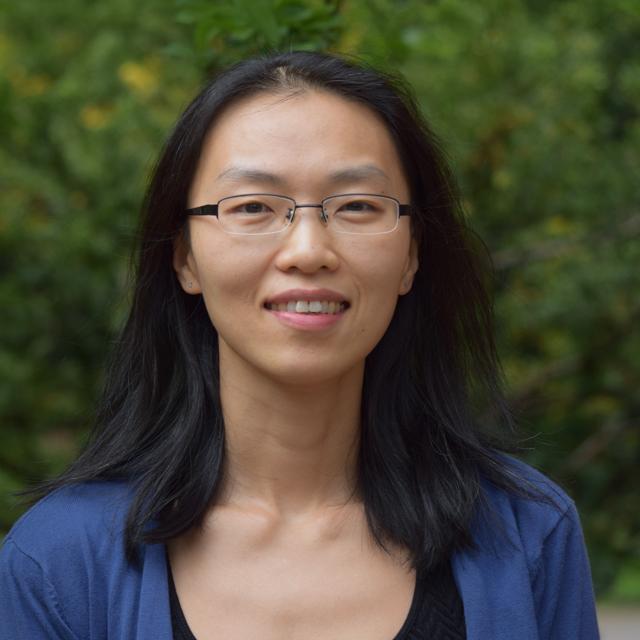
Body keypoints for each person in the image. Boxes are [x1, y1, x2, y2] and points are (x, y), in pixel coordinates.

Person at [0, 51, 599, 640]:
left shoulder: (529, 535)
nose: (308, 250)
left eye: (358, 206)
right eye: (254, 207)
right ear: (184, 257)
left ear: (412, 253)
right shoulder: (56, 562)